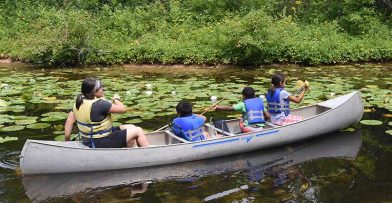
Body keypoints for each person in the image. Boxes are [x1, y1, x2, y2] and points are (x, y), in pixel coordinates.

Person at [64, 77, 149, 148]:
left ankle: (126, 153)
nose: (102, 89)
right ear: (95, 92)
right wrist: (116, 99)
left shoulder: (78, 103)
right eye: (101, 87)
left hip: (89, 140)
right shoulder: (100, 104)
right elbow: (123, 109)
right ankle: (149, 154)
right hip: (100, 142)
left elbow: (69, 122)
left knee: (131, 126)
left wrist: (67, 142)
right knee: (138, 131)